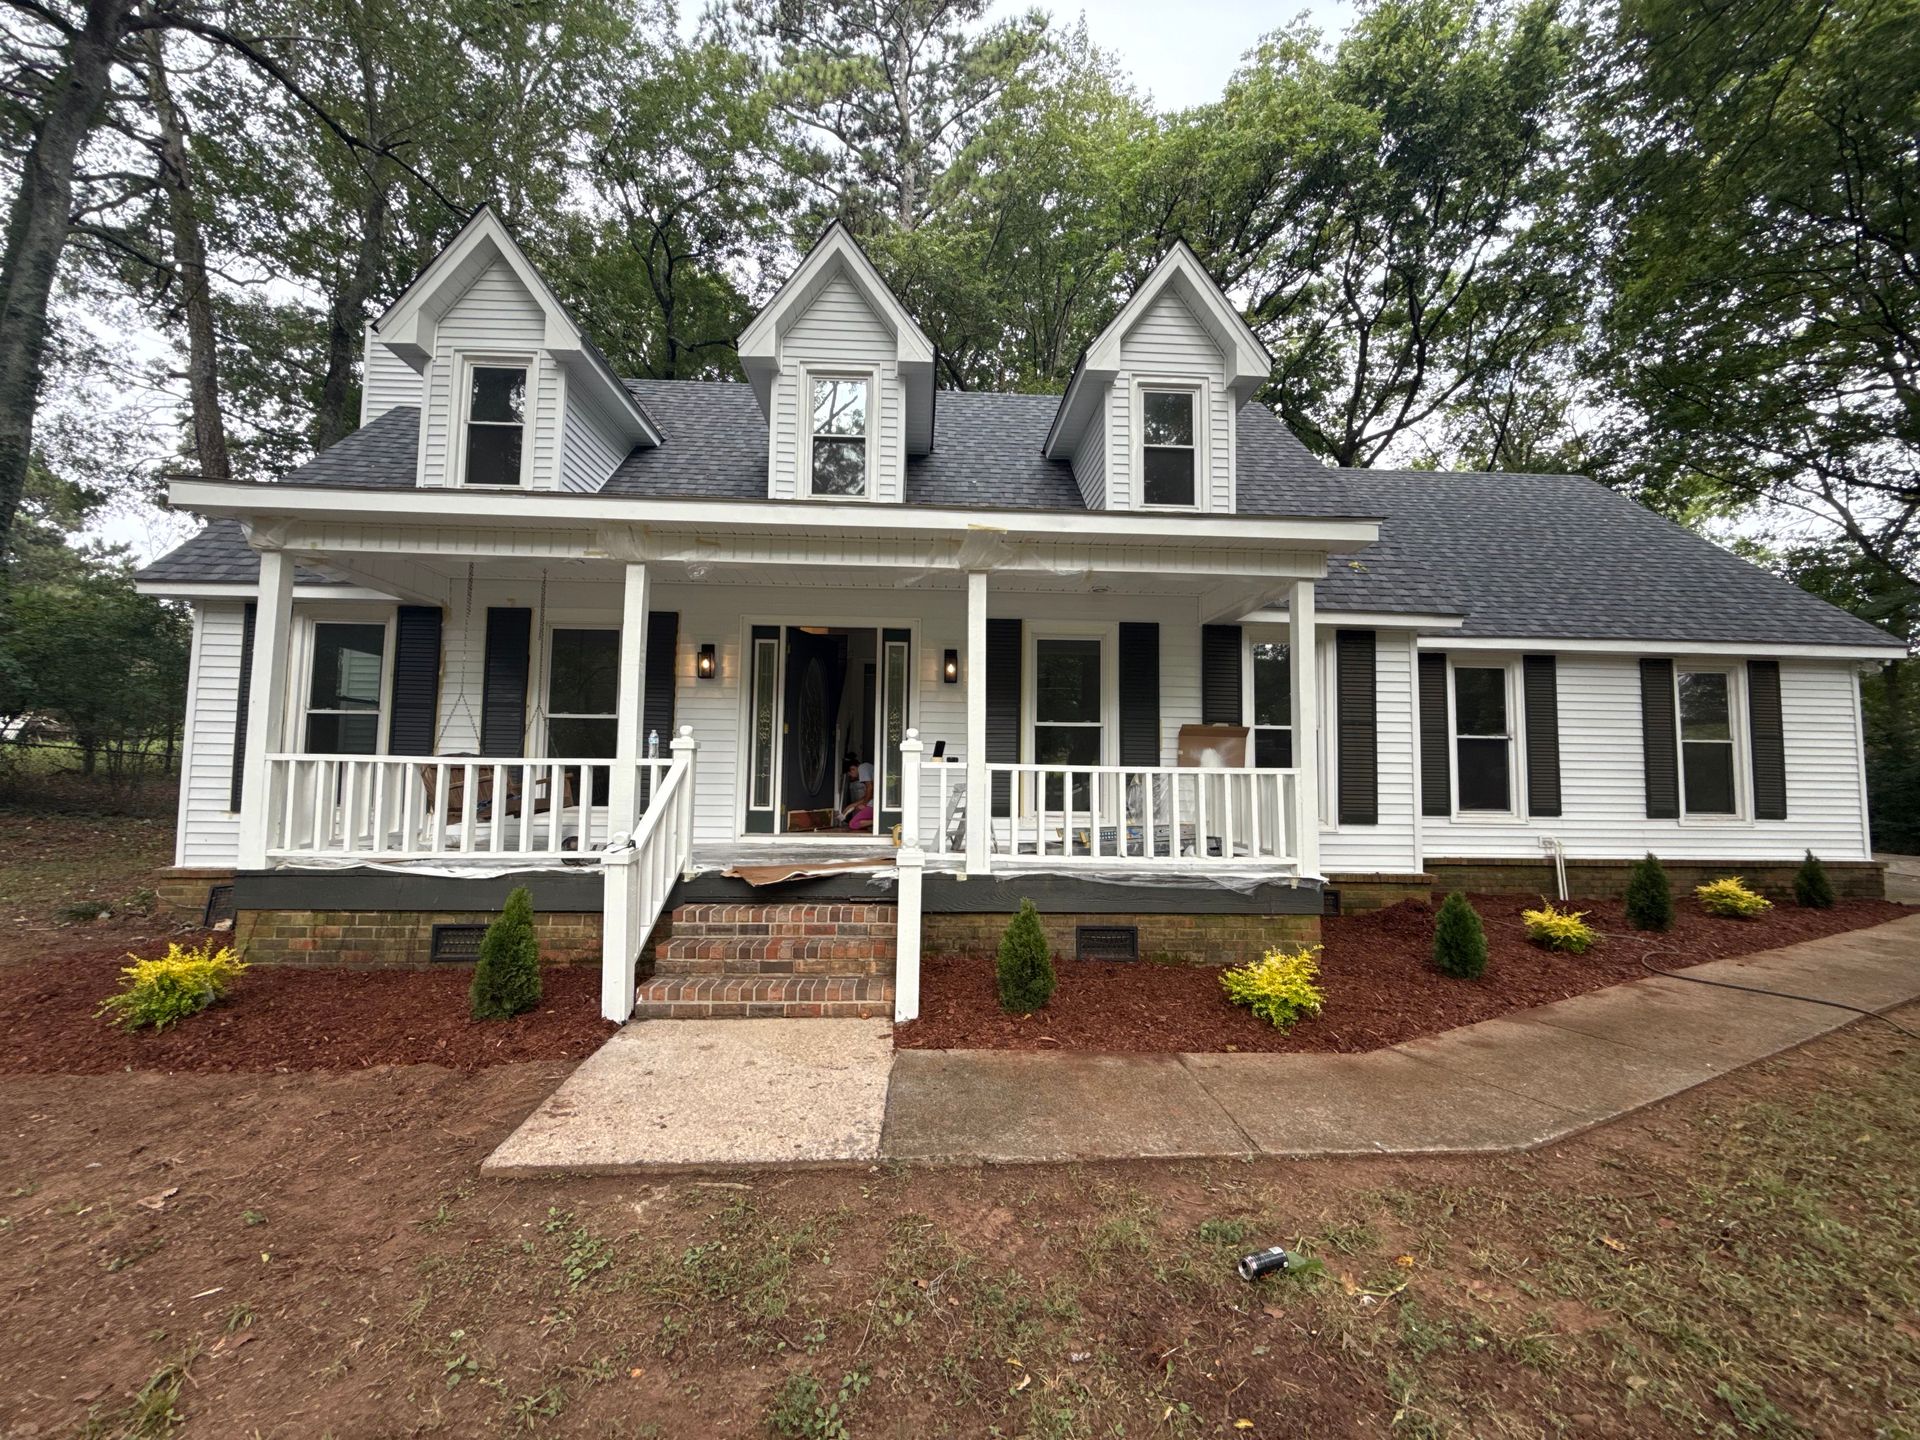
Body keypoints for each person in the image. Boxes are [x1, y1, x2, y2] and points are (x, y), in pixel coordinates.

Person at [841, 753, 875, 832]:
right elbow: (869, 794)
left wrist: (864, 804)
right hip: (875, 802)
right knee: (857, 812)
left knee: (853, 824)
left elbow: (869, 788)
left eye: (850, 774)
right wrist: (851, 806)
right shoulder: (867, 767)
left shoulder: (862, 768)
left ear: (853, 768)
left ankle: (878, 822)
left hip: (875, 804)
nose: (851, 776)